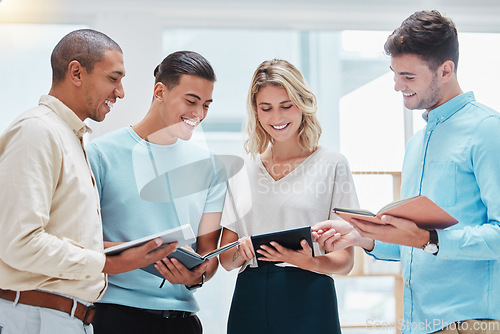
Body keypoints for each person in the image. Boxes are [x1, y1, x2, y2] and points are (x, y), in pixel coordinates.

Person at [313, 10, 500, 334]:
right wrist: (364, 237)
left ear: (446, 70)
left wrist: (430, 238)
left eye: (409, 76)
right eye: (395, 73)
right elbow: (415, 245)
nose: (397, 85)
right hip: (418, 324)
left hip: (471, 323)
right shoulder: (416, 145)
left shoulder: (487, 131)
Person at [0, 29, 177, 334]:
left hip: (67, 317)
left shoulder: (71, 138)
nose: (120, 92)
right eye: (113, 78)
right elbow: (18, 244)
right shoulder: (37, 132)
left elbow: (63, 236)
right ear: (76, 72)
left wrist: (121, 250)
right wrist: (105, 263)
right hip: (36, 317)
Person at [86, 50, 226, 334]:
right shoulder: (99, 154)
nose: (198, 114)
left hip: (183, 322)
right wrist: (144, 254)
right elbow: (82, 242)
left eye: (206, 105)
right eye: (191, 101)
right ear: (160, 91)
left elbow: (208, 253)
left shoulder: (211, 167)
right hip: (116, 317)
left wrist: (195, 276)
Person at [219, 59, 359, 334]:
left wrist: (309, 262)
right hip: (251, 298)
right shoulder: (242, 171)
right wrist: (240, 252)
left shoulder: (332, 164)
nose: (277, 118)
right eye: (266, 108)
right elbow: (226, 260)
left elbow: (346, 261)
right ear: (256, 112)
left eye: (286, 106)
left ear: (302, 105)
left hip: (310, 294)